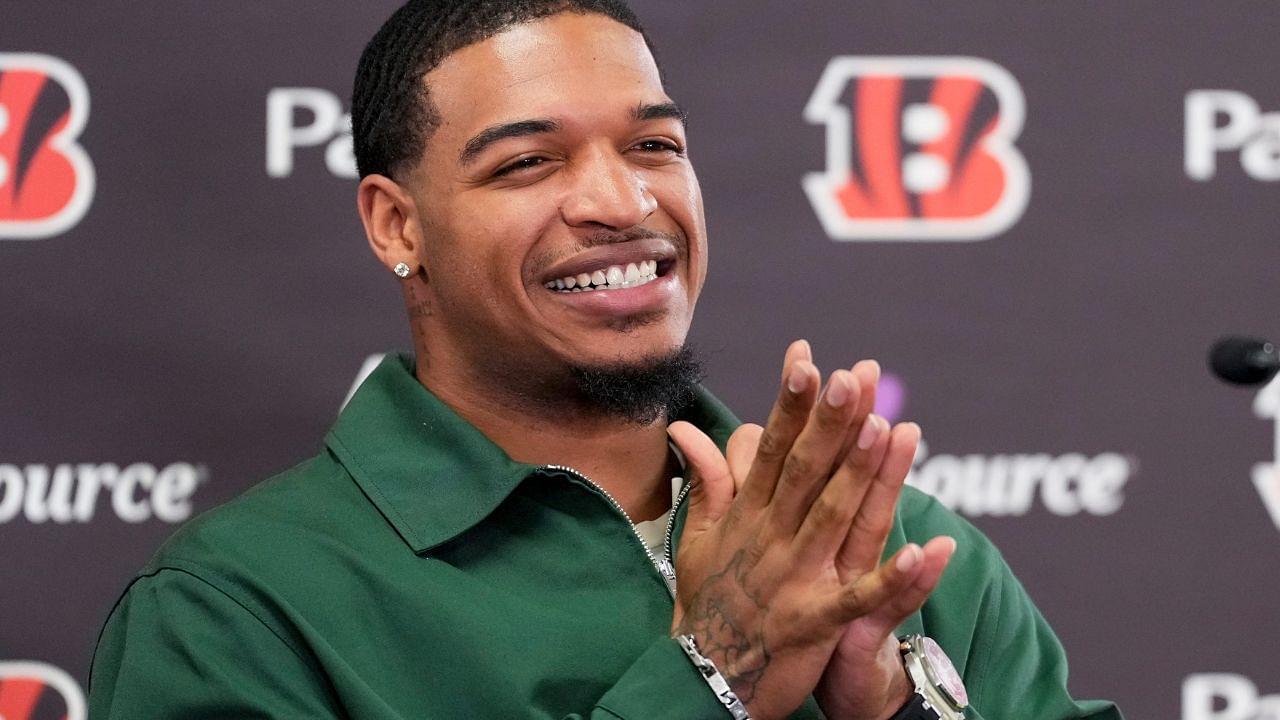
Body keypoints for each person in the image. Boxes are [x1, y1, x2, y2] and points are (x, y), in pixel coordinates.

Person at [88, 2, 1123, 718]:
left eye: (653, 147)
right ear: (395, 224)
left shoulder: (887, 547)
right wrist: (711, 677)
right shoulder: (236, 607)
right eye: (528, 162)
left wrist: (892, 713)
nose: (622, 204)